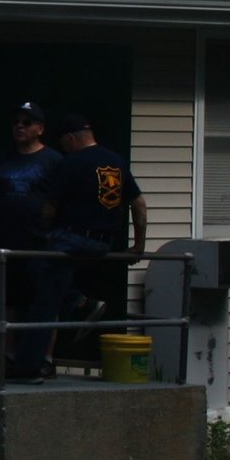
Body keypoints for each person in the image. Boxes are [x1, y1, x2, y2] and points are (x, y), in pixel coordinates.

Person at [0, 101, 76, 379]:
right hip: (7, 241)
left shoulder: (54, 161)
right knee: (9, 301)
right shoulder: (1, 159)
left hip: (41, 243)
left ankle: (45, 358)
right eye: (16, 122)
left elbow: (63, 201)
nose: (20, 127)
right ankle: (8, 356)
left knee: (45, 302)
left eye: (27, 122)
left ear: (40, 128)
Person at [52, 112, 147, 325]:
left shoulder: (72, 162)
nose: (63, 148)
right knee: (54, 278)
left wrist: (46, 228)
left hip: (73, 237)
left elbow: (50, 206)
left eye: (63, 143)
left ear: (70, 138)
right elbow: (139, 203)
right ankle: (80, 307)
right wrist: (139, 245)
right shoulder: (117, 161)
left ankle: (81, 304)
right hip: (104, 241)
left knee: (38, 270)